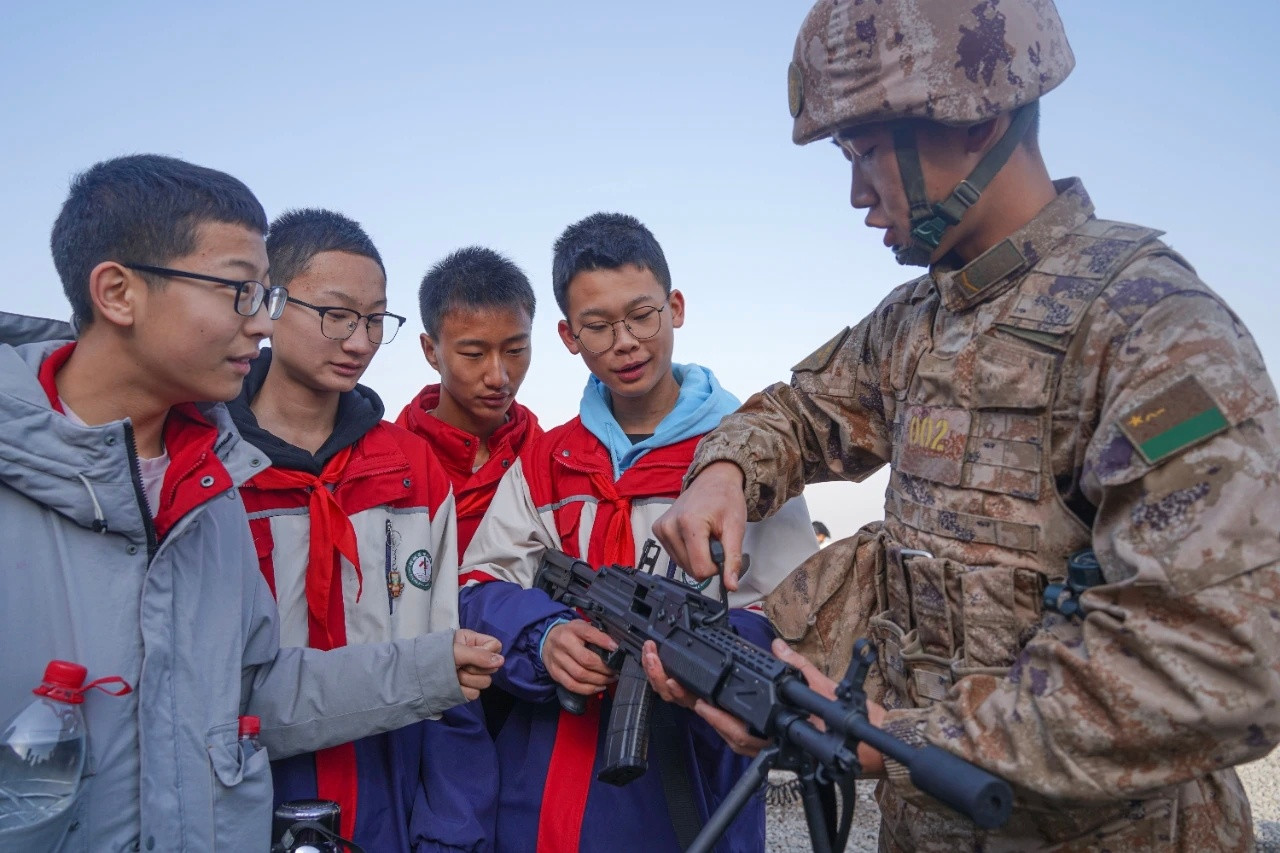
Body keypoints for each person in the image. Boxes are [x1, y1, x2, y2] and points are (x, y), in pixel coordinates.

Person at [650, 1, 1280, 849]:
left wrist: (895, 739)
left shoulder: (1150, 327)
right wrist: (723, 471)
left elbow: (1218, 661)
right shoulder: (918, 320)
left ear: (976, 118)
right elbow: (800, 411)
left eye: (867, 152)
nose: (855, 193)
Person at [0, 154, 502, 852]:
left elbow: (250, 691)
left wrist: (433, 666)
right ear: (118, 293)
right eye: (240, 292)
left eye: (265, 296)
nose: (262, 324)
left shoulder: (207, 488)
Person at [457, 212, 817, 852]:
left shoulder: (745, 458)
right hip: (547, 778)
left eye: (642, 314)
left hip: (696, 772)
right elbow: (480, 582)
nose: (625, 341)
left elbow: (795, 613)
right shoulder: (548, 459)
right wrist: (543, 637)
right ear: (569, 336)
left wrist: (699, 654)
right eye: (597, 325)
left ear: (675, 308)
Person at [227, 209, 496, 851]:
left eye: (376, 319)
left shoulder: (411, 469)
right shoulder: (213, 467)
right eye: (337, 314)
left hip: (389, 790)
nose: (359, 340)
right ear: (271, 302)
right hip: (244, 791)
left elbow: (448, 667)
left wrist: (450, 831)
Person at [396, 246, 541, 558]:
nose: (498, 377)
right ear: (431, 351)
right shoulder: (388, 462)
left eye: (515, 350)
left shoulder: (548, 460)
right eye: (474, 355)